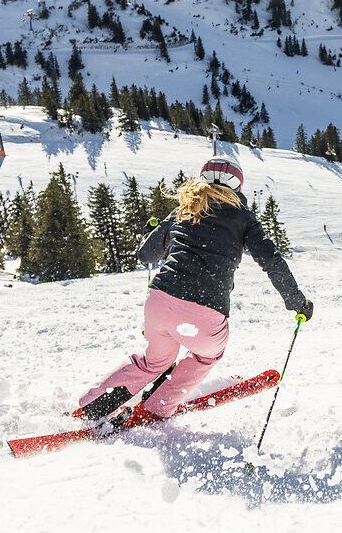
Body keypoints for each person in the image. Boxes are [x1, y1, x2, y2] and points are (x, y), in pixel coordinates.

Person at [77, 157, 312, 421]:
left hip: (160, 302)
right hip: (206, 310)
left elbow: (146, 255)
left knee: (153, 361)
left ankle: (90, 407)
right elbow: (271, 261)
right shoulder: (244, 219)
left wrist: (156, 233)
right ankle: (157, 407)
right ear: (238, 187)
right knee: (206, 355)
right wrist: (297, 302)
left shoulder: (184, 208)